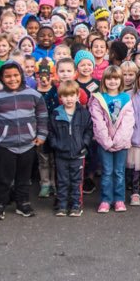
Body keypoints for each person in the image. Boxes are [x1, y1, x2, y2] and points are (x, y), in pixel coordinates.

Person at [0, 63, 49, 220]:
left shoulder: (34, 95)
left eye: (15, 75)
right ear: (1, 78)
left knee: (24, 177)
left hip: (28, 143)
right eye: (7, 76)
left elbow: (42, 116)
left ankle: (23, 203)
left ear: (21, 75)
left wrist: (41, 135)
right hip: (4, 145)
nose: (12, 79)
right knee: (4, 177)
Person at [89, 66, 136, 213]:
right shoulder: (98, 98)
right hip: (104, 143)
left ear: (120, 80)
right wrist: (107, 141)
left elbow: (128, 122)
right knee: (107, 171)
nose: (112, 81)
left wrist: (117, 141)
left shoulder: (125, 98)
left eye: (116, 78)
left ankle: (119, 199)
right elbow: (98, 122)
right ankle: (105, 200)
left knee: (119, 172)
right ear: (104, 80)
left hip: (121, 143)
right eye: (109, 78)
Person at [46, 81, 93, 217]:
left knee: (76, 181)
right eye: (65, 96)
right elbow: (51, 132)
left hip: (78, 154)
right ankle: (62, 205)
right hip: (61, 154)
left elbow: (89, 130)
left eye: (72, 95)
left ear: (77, 95)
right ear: (61, 97)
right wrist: (56, 145)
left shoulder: (83, 113)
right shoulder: (56, 113)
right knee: (62, 180)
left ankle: (76, 205)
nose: (69, 99)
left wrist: (83, 144)